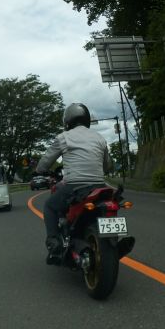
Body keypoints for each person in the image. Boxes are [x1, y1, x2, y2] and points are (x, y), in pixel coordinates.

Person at [35, 102, 112, 264]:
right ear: (87, 119)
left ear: (68, 120)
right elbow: (107, 166)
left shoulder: (64, 137)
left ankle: (54, 243)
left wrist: (39, 170)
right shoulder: (100, 138)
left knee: (49, 206)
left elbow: (44, 164)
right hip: (100, 186)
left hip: (75, 186)